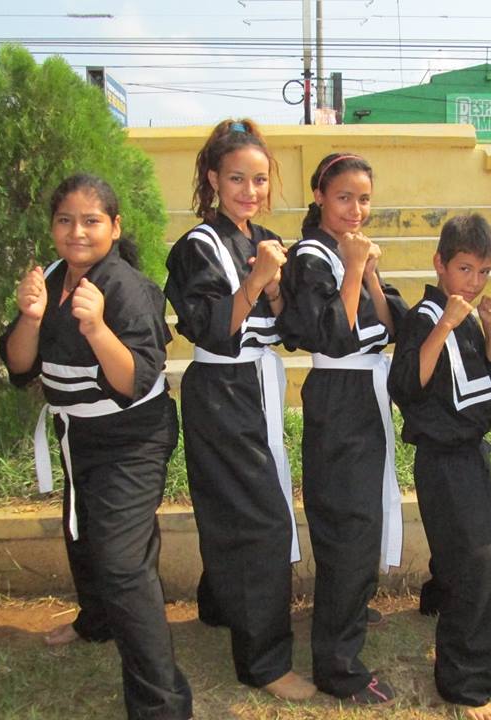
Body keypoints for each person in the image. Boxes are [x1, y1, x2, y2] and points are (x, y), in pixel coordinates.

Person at [0, 174, 193, 719]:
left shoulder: (128, 288)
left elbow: (133, 381)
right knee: (82, 533)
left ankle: (163, 705)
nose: (77, 231)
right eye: (65, 220)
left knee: (123, 564)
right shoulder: (51, 277)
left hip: (132, 438)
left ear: (114, 227)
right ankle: (96, 622)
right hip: (78, 433)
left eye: (91, 221)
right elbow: (18, 365)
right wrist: (32, 317)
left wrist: (98, 328)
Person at [163, 118, 315, 702]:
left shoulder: (265, 238)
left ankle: (221, 608)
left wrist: (274, 286)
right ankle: (263, 662)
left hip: (256, 384)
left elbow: (295, 332)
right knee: (259, 522)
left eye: (258, 180)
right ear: (212, 179)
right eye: (236, 179)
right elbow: (210, 329)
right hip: (223, 386)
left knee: (235, 509)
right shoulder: (197, 248)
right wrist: (255, 282)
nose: (250, 191)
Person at [277, 153, 408, 705]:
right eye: (344, 198)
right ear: (318, 196)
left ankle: (348, 610)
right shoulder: (311, 256)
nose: (356, 209)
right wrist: (354, 268)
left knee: (362, 515)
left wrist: (368, 270)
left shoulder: (351, 251)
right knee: (347, 523)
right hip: (338, 393)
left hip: (364, 394)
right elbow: (332, 334)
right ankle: (337, 666)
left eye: (364, 199)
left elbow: (394, 324)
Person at [388, 214, 491, 720]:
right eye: (465, 268)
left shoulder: (466, 314)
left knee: (467, 550)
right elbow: (407, 385)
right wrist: (443, 326)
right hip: (441, 457)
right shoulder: (425, 317)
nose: (475, 281)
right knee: (474, 562)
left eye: (483, 271)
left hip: (470, 453)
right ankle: (466, 684)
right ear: (440, 264)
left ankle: (435, 601)